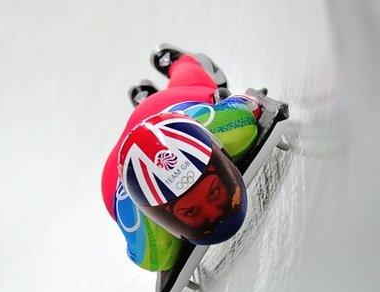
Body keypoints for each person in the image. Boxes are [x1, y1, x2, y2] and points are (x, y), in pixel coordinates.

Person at [101, 45, 263, 271]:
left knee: (197, 86)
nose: (215, 215)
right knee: (199, 91)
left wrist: (232, 104)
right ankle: (161, 84)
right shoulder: (150, 246)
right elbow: (252, 105)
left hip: (174, 110)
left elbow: (247, 105)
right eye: (190, 211)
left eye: (215, 191)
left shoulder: (228, 127)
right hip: (117, 175)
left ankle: (178, 63)